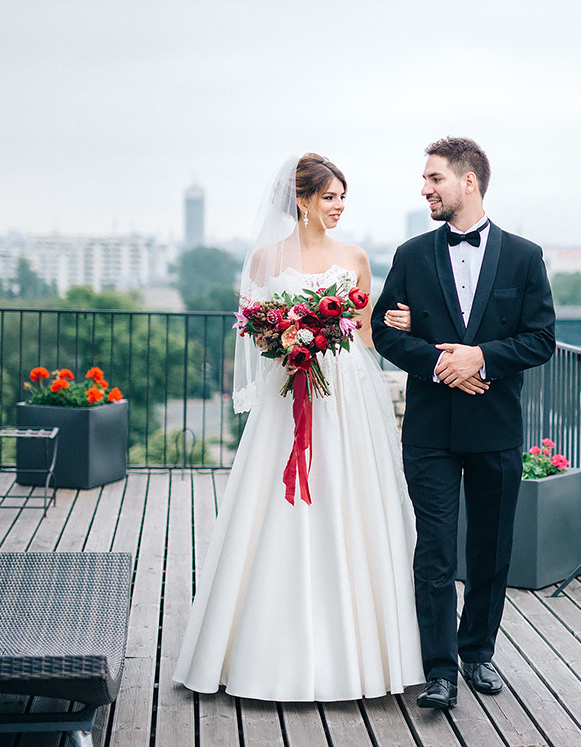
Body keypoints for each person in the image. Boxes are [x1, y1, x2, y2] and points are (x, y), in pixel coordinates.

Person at [173, 153, 424, 702]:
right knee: (276, 511)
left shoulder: (355, 256)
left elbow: (366, 334)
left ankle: (360, 651)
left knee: (349, 501)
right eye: (329, 197)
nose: (337, 207)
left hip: (346, 397)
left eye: (342, 199)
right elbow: (252, 330)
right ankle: (264, 649)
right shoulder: (265, 259)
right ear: (303, 199)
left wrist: (404, 322)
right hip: (288, 393)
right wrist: (286, 344)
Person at [371, 137, 556, 709]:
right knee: (435, 551)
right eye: (425, 181)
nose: (425, 189)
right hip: (429, 429)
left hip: (495, 428)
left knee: (490, 551)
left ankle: (477, 653)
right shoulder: (409, 254)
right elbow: (383, 330)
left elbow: (542, 338)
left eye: (434, 179)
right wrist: (439, 364)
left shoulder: (525, 256)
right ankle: (439, 668)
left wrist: (481, 359)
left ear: (468, 181)